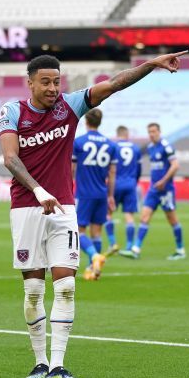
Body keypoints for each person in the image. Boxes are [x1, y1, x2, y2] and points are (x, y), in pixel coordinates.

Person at [0, 51, 186, 378]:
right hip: (27, 207)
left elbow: (114, 84)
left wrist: (151, 65)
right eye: (45, 82)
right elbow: (11, 158)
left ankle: (57, 366)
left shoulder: (70, 106)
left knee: (67, 286)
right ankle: (38, 362)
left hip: (64, 209)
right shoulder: (12, 112)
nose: (53, 88)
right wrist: (39, 190)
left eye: (57, 81)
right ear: (30, 83)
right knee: (33, 291)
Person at [120, 123, 185, 260]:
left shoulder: (166, 146)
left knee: (172, 219)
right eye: (149, 132)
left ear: (159, 132)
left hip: (166, 189)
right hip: (153, 189)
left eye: (154, 131)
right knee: (144, 217)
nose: (151, 134)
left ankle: (180, 250)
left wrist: (164, 181)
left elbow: (175, 165)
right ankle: (135, 249)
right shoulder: (150, 147)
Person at [71, 108, 116, 280]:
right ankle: (94, 269)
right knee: (96, 232)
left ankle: (94, 257)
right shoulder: (110, 145)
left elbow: (71, 168)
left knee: (78, 231)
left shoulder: (79, 142)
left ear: (86, 121)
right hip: (102, 193)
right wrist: (111, 196)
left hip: (84, 193)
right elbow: (112, 174)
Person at [108, 125, 141, 256]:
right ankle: (129, 246)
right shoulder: (136, 148)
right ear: (127, 135)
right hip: (130, 184)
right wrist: (134, 181)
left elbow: (110, 167)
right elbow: (139, 169)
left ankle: (113, 243)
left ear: (118, 135)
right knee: (129, 215)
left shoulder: (113, 147)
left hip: (115, 184)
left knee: (108, 214)